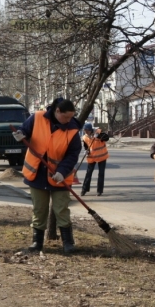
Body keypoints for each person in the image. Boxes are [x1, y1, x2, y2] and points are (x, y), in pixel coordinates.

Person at [12, 97, 81, 254]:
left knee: (61, 209)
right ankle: (37, 242)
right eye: (66, 117)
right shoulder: (37, 117)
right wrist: (20, 135)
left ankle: (68, 243)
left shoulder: (73, 130)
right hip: (37, 174)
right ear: (57, 111)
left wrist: (62, 172)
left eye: (71, 116)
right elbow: (24, 130)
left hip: (60, 177)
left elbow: (72, 155)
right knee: (39, 209)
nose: (69, 120)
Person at [80, 123, 109, 197]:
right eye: (84, 130)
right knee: (88, 173)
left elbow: (106, 138)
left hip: (101, 156)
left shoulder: (98, 133)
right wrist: (86, 151)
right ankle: (84, 189)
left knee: (101, 174)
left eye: (87, 130)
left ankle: (99, 191)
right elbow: (86, 147)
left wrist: (99, 136)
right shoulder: (84, 138)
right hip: (91, 157)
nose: (86, 132)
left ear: (90, 130)